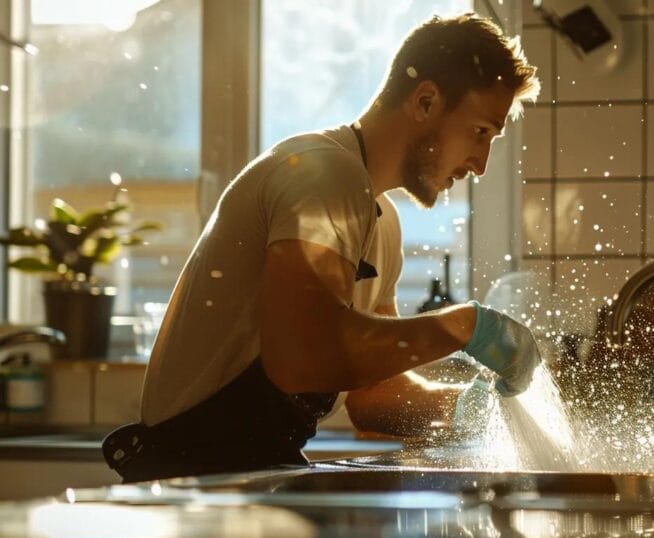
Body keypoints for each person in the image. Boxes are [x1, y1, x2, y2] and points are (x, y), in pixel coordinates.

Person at [101, 13, 543, 483]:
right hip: (186, 482)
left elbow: (374, 399)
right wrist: (463, 327)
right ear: (425, 101)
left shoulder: (381, 221)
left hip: (246, 476)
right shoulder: (321, 173)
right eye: (479, 132)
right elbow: (301, 360)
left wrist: (471, 408)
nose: (480, 163)